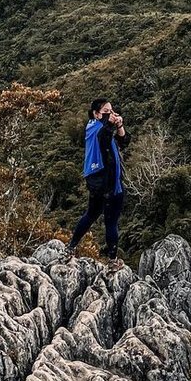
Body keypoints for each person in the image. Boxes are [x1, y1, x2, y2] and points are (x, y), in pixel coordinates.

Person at [66, 97, 130, 267]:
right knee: (110, 222)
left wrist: (119, 126)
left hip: (99, 182)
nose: (110, 114)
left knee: (91, 214)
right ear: (96, 114)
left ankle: (71, 247)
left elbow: (124, 141)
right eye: (106, 112)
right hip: (108, 183)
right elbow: (104, 138)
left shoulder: (96, 126)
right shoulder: (97, 129)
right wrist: (111, 124)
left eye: (112, 111)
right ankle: (112, 260)